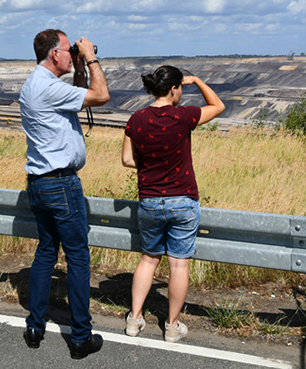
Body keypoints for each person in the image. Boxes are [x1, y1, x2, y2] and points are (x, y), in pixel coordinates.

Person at [19, 29, 109, 359]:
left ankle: (34, 326)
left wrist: (80, 66)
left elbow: (77, 92)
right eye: (68, 49)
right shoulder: (50, 87)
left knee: (46, 252)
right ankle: (81, 337)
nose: (72, 53)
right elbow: (100, 96)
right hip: (61, 184)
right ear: (54, 54)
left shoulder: (36, 83)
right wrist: (92, 58)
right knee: (77, 258)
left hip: (39, 182)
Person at [121, 65, 224, 343]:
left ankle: (134, 319)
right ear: (175, 88)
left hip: (150, 200)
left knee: (148, 258)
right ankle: (172, 325)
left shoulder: (136, 118)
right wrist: (198, 80)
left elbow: (128, 160)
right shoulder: (183, 117)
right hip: (183, 199)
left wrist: (151, 165)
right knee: (179, 265)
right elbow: (218, 105)